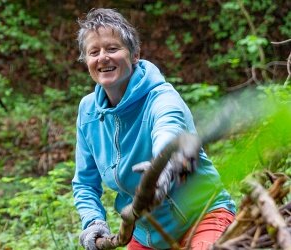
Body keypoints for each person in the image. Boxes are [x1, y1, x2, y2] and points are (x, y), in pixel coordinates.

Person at [71, 8, 236, 250]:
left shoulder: (162, 98)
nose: (103, 57)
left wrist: (161, 166)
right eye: (93, 52)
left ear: (135, 54)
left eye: (113, 48)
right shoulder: (88, 111)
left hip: (202, 216)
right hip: (148, 235)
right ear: (86, 61)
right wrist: (93, 221)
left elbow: (168, 129)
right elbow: (85, 182)